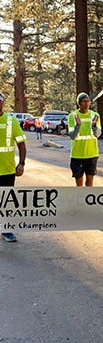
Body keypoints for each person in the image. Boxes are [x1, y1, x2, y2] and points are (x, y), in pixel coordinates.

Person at [0, 93, 27, 242]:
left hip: (8, 170)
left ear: (3, 103)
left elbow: (21, 144)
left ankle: (6, 230)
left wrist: (21, 163)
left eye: (0, 101)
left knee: (7, 202)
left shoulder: (12, 121)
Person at [68, 92, 101, 186]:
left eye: (88, 101)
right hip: (77, 155)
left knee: (89, 183)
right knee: (79, 184)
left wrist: (94, 125)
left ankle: (88, 200)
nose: (86, 104)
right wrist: (77, 125)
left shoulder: (95, 115)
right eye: (84, 101)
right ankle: (79, 200)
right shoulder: (72, 116)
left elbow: (97, 134)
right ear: (79, 103)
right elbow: (72, 136)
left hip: (92, 154)